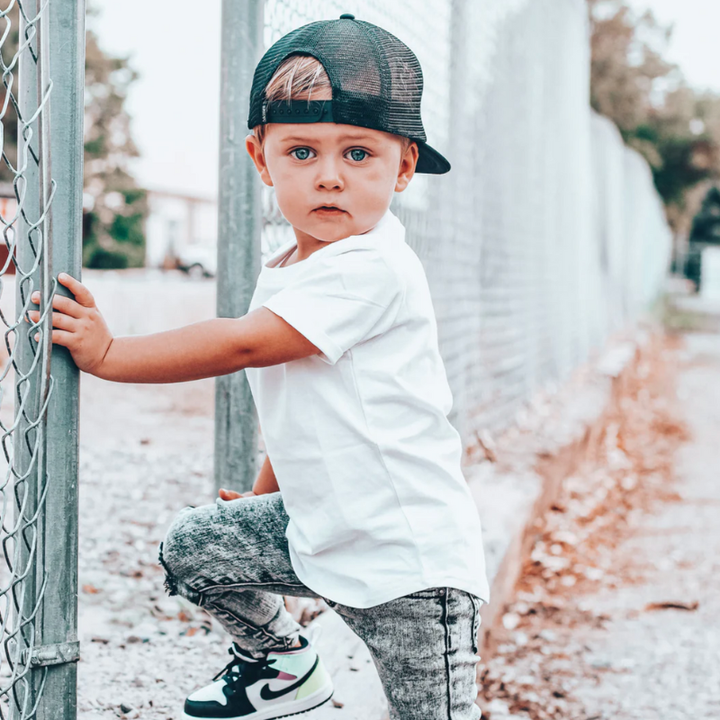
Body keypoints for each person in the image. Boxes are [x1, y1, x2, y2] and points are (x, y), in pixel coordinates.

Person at [28, 13, 491, 720]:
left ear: (404, 167)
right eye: (302, 153)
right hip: (319, 534)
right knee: (197, 547)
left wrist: (112, 355)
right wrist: (264, 491)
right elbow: (296, 402)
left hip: (410, 572)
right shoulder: (292, 266)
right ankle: (281, 664)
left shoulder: (375, 267)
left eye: (358, 155)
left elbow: (243, 345)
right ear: (260, 158)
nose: (329, 176)